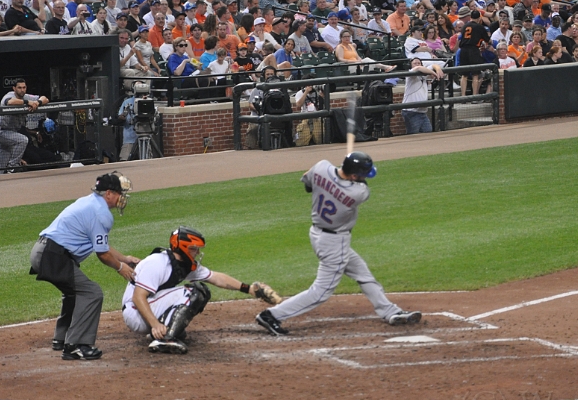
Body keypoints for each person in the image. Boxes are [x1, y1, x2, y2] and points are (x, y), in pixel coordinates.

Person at [256, 152, 422, 336]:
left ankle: (390, 311)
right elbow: (361, 185)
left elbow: (308, 184)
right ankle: (271, 315)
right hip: (335, 242)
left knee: (363, 274)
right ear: (354, 176)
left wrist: (333, 176)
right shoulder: (358, 192)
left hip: (317, 233)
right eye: (363, 174)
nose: (366, 177)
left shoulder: (321, 167)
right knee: (321, 292)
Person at [29, 172, 139, 360]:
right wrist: (121, 268)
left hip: (44, 251)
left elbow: (102, 245)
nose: (123, 198)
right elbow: (102, 255)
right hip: (53, 256)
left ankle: (61, 338)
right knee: (91, 293)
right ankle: (76, 346)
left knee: (74, 292)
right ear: (109, 193)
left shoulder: (91, 202)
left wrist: (125, 258)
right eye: (120, 193)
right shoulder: (101, 213)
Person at [122, 227, 279, 354]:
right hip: (135, 312)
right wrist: (155, 324)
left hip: (147, 307)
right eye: (194, 249)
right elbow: (138, 297)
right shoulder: (157, 262)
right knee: (193, 292)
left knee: (202, 292)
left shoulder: (183, 264)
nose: (197, 252)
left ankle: (167, 329)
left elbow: (216, 278)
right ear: (183, 248)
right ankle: (165, 338)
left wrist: (249, 289)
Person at [0, 79, 49, 173]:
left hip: (12, 133)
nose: (22, 90)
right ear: (14, 88)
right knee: (23, 140)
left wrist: (37, 102)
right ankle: (13, 166)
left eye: (24, 87)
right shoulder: (9, 95)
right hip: (1, 131)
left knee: (1, 163)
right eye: (19, 88)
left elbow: (45, 98)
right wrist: (28, 102)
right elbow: (10, 102)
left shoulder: (26, 96)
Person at [402, 57, 444, 134]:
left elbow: (434, 65)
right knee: (413, 135)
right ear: (411, 66)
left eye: (419, 63)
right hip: (411, 111)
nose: (417, 64)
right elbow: (418, 68)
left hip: (422, 112)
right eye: (414, 63)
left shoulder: (424, 74)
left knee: (428, 131)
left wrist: (438, 69)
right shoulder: (410, 74)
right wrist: (433, 73)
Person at [458, 10, 488, 97]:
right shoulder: (479, 27)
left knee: (464, 75)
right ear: (479, 18)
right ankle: (474, 96)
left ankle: (463, 96)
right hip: (473, 50)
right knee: (475, 74)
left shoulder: (464, 26)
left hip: (463, 50)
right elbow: (487, 39)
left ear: (471, 17)